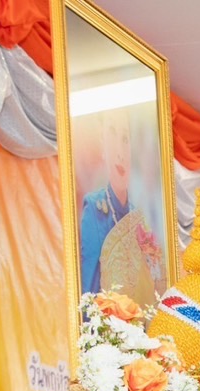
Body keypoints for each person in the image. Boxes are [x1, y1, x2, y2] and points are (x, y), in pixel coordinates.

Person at [78, 107, 133, 294]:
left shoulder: (138, 217)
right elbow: (89, 290)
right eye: (112, 135)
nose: (120, 153)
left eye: (125, 140)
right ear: (103, 147)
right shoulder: (94, 208)